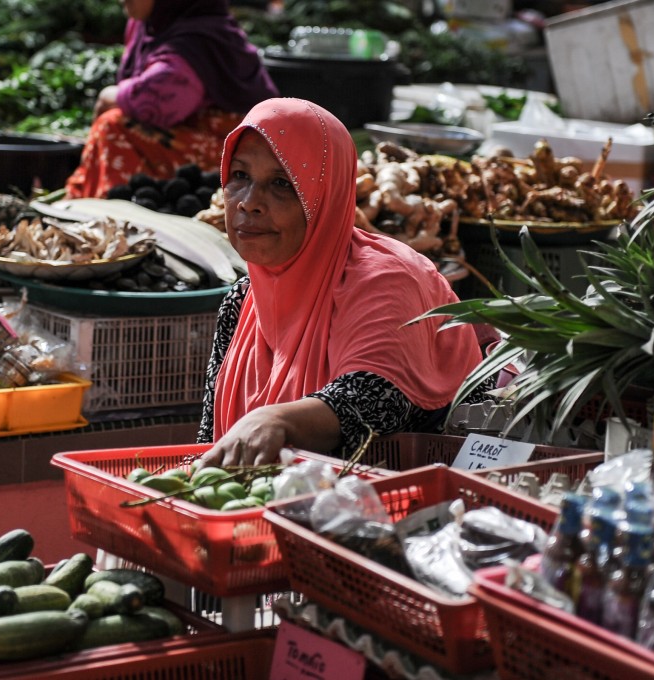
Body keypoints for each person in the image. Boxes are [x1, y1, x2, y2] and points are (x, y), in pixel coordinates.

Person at [196, 98, 484, 468]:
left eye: (282, 183)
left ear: (325, 195)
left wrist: (276, 419)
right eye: (239, 176)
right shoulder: (242, 300)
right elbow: (210, 440)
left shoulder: (386, 279)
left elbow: (375, 398)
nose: (249, 203)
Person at [64, 0, 279, 199]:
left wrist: (110, 96)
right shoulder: (148, 25)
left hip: (236, 154)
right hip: (191, 137)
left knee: (112, 126)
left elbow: (160, 103)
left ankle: (115, 207)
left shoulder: (195, 40)